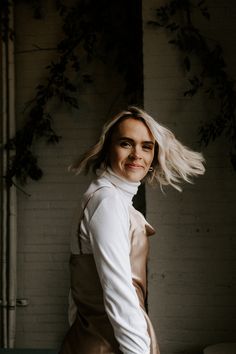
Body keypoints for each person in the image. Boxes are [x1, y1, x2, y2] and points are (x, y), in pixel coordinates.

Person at [59, 106, 205, 354]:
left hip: (93, 338)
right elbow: (119, 291)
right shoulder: (108, 202)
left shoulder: (105, 198)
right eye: (126, 143)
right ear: (108, 149)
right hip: (110, 344)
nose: (137, 154)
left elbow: (78, 290)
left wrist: (79, 329)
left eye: (146, 146)